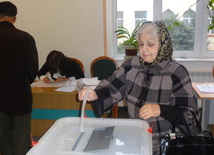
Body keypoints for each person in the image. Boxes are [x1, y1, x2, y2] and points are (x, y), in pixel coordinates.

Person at [78, 21, 200, 154]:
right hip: (135, 136)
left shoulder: (176, 72)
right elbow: (112, 85)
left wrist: (161, 109)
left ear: (163, 45)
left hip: (165, 143)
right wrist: (95, 94)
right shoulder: (131, 65)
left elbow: (190, 115)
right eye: (141, 44)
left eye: (151, 44)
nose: (143, 49)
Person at [0, 1, 38, 155]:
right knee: (21, 138)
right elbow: (32, 70)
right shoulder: (25, 37)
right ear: (14, 18)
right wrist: (22, 82)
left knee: (3, 138)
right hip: (19, 95)